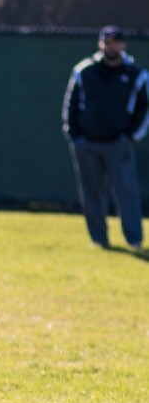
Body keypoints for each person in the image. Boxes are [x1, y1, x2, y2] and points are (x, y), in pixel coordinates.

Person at [62, 25, 149, 251]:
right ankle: (99, 240)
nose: (111, 47)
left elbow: (144, 110)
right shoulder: (84, 71)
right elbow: (70, 106)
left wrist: (130, 138)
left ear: (123, 45)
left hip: (118, 144)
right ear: (100, 45)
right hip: (87, 143)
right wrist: (74, 136)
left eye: (115, 42)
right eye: (106, 43)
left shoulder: (135, 74)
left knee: (126, 193)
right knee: (92, 194)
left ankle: (134, 239)